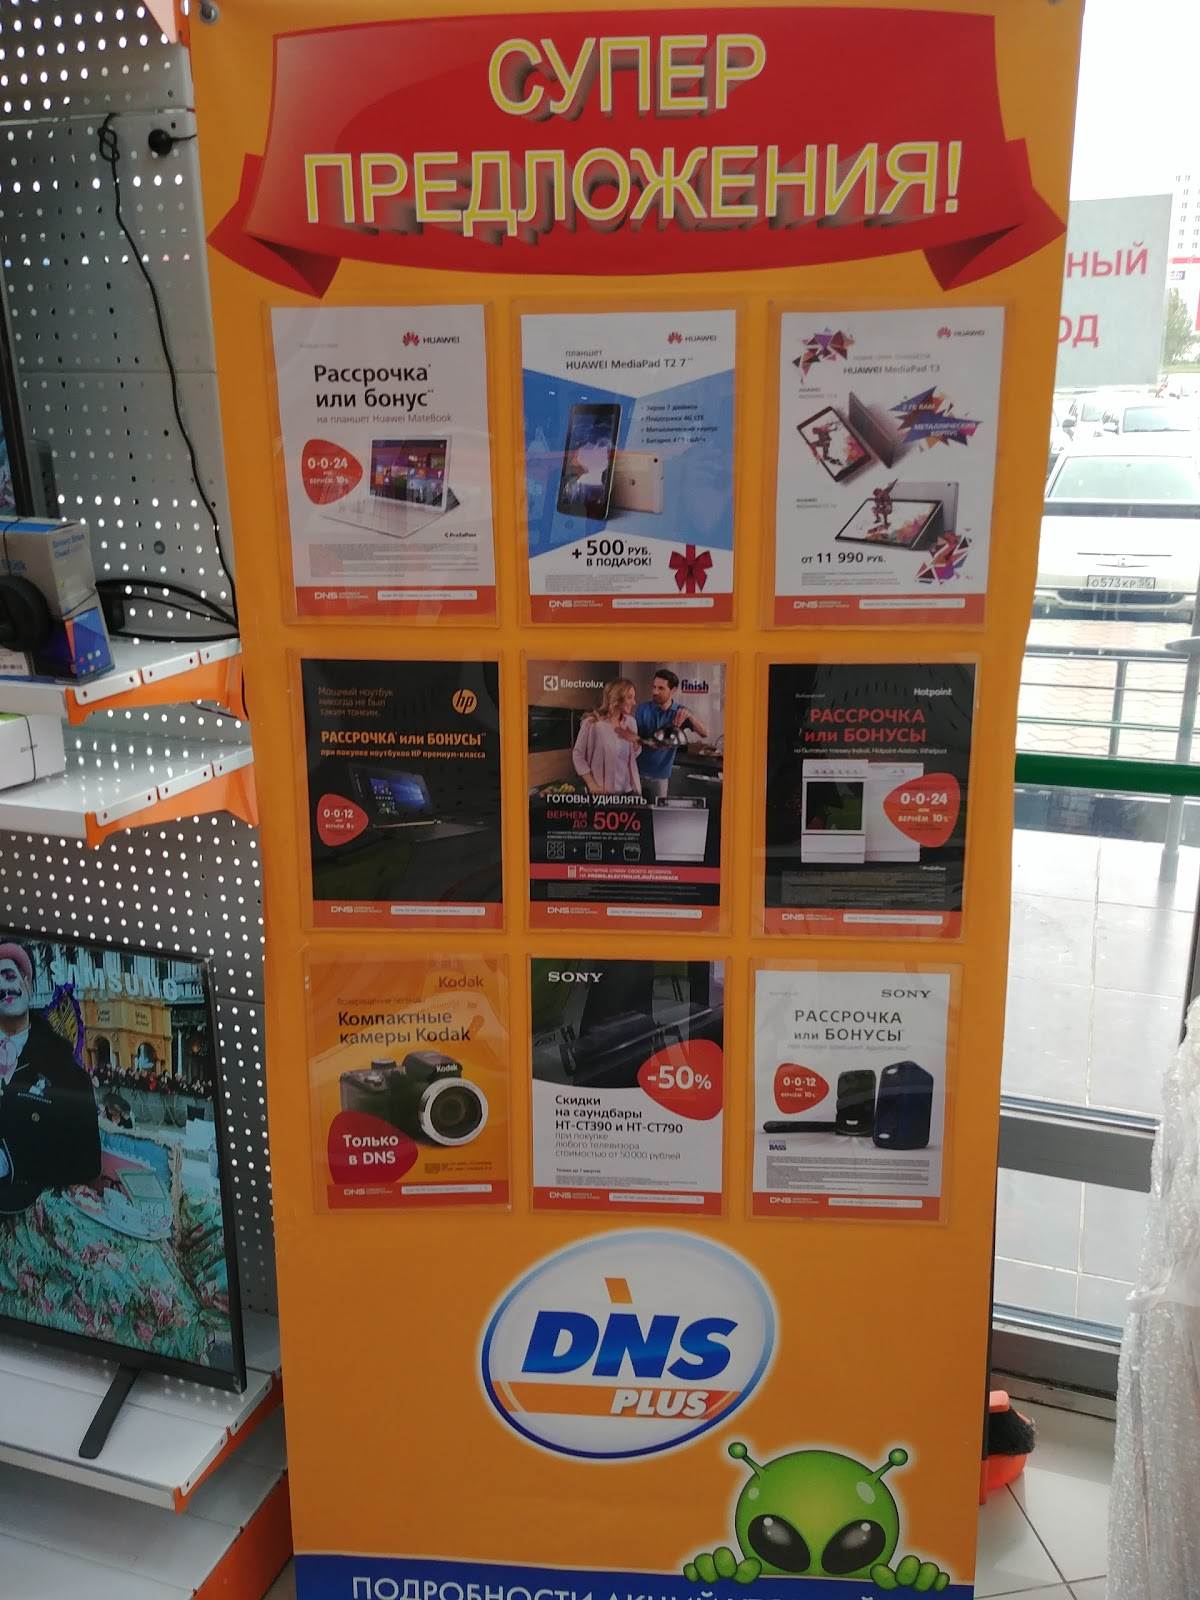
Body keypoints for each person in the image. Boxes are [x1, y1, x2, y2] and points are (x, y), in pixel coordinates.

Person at [0, 943, 101, 1212]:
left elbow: (87, 1161)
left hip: (25, 1205)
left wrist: (12, 1161)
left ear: (27, 982)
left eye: (9, 976)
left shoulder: (66, 1071)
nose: (3, 988)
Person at [634, 669, 709, 801]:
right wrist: (672, 729)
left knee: (658, 812)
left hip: (661, 776)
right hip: (636, 774)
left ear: (673, 690)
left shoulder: (680, 712)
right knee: (636, 811)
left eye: (661, 688)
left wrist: (690, 716)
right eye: (654, 687)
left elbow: (704, 733)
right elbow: (638, 740)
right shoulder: (642, 709)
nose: (655, 692)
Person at [572, 678, 642, 797]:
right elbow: (578, 755)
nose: (634, 702)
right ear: (617, 697)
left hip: (627, 791)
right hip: (602, 792)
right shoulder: (592, 723)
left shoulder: (631, 722)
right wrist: (592, 785)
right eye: (629, 697)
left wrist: (635, 743)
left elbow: (633, 755)